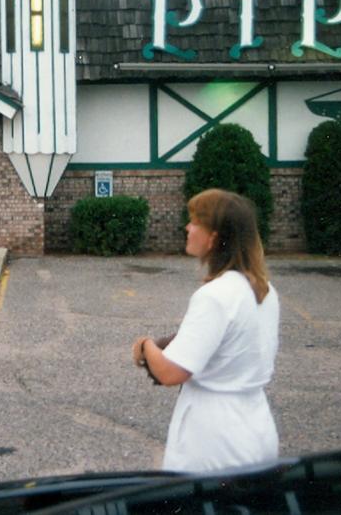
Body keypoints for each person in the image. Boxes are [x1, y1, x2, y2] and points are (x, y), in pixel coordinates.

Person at [132, 188, 280, 472]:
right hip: (256, 427)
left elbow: (172, 373)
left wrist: (145, 346)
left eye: (195, 222)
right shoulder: (265, 290)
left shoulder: (214, 295)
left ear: (213, 238)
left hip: (214, 441)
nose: (188, 227)